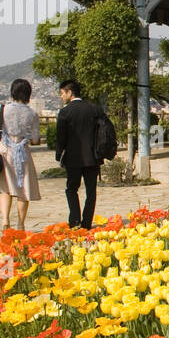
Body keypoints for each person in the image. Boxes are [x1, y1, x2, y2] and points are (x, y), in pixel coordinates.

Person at [0, 79, 42, 230]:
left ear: (12, 92)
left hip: (5, 153)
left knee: (5, 188)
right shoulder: (32, 113)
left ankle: (5, 220)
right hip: (23, 154)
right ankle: (20, 223)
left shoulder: (2, 109)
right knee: (23, 190)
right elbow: (35, 139)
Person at [55, 79, 103, 230]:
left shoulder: (65, 112)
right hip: (93, 157)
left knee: (71, 189)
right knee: (91, 191)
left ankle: (75, 220)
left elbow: (60, 137)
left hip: (73, 158)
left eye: (62, 93)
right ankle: (87, 223)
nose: (61, 96)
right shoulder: (94, 109)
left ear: (70, 92)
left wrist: (59, 155)